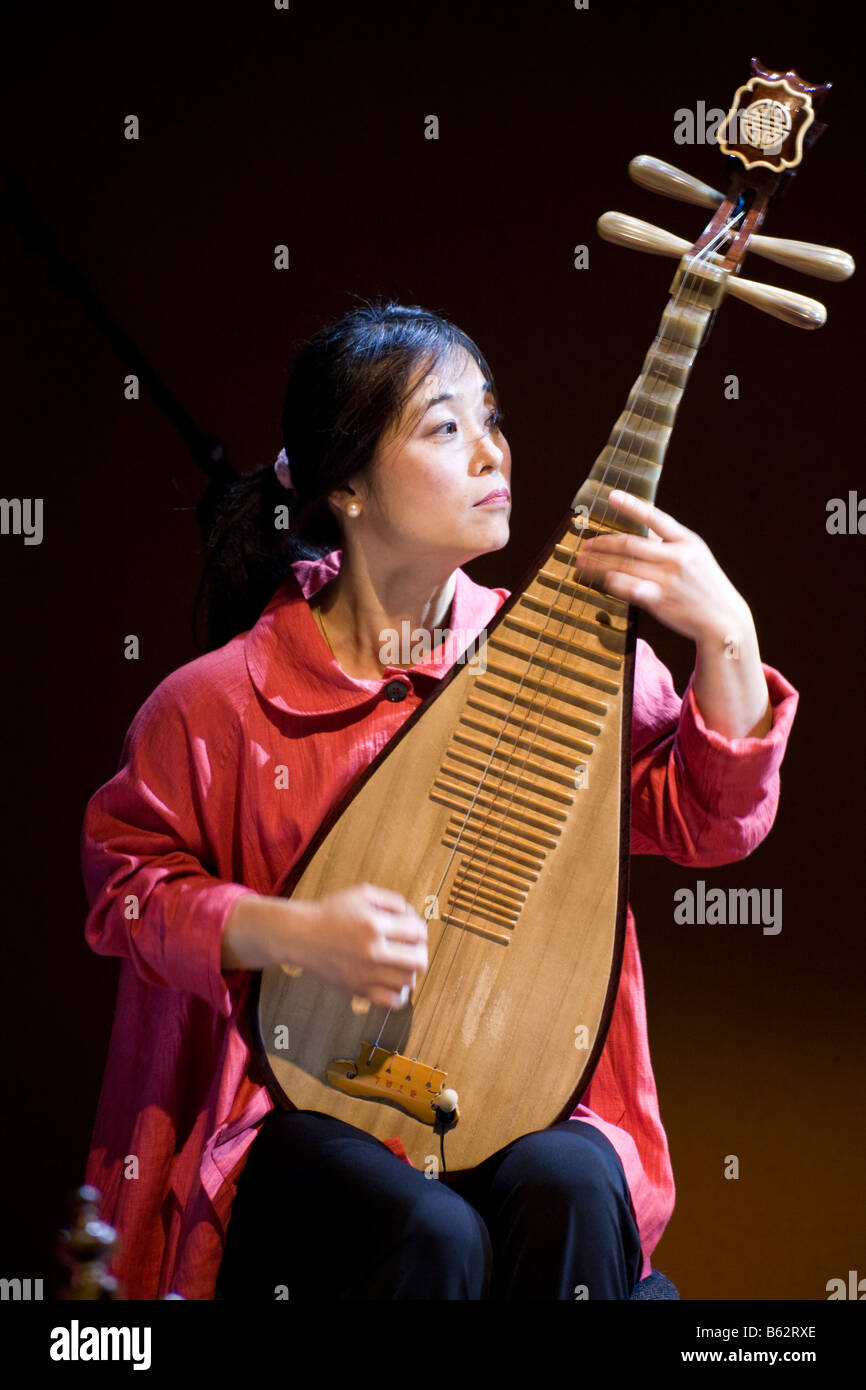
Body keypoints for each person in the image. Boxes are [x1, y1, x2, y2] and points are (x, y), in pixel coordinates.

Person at [81, 299, 798, 1300]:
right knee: (430, 1233)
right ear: (346, 485)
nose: (489, 453)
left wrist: (726, 636)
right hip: (300, 1109)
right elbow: (126, 888)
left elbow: (703, 819)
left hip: (516, 1081)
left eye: (491, 418)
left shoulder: (556, 667)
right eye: (443, 424)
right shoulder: (218, 705)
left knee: (577, 1180)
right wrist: (282, 931)